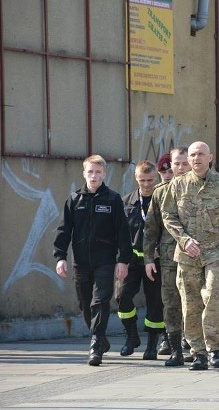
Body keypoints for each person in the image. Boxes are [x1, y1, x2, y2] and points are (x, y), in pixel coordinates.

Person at [161, 141, 219, 370]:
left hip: (218, 252)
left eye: (201, 154)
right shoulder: (178, 185)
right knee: (190, 304)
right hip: (188, 253)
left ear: (210, 157)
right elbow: (168, 215)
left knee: (212, 296)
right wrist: (183, 239)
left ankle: (215, 349)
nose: (196, 158)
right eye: (192, 155)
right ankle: (198, 352)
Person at [53, 155, 132, 366]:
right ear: (84, 173)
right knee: (85, 303)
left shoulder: (113, 200)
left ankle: (95, 343)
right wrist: (60, 257)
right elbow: (64, 231)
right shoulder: (74, 199)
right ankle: (101, 338)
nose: (94, 176)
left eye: (98, 172)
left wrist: (123, 260)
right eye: (90, 172)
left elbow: (123, 233)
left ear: (104, 174)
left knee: (100, 301)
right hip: (81, 262)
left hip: (105, 261)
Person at [143, 148, 192, 366]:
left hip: (197, 258)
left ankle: (194, 345)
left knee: (194, 303)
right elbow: (151, 229)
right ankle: (175, 349)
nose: (180, 168)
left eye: (184, 163)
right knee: (171, 304)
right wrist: (148, 259)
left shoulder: (204, 189)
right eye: (177, 164)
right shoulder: (160, 192)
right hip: (170, 258)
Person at [118, 160, 165, 360]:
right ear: (136, 178)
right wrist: (120, 259)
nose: (146, 184)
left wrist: (160, 249)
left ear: (155, 178)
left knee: (155, 302)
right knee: (121, 297)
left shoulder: (163, 201)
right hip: (131, 260)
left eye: (150, 180)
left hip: (154, 261)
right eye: (142, 180)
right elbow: (119, 233)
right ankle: (131, 335)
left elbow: (170, 230)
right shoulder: (126, 202)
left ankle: (152, 345)